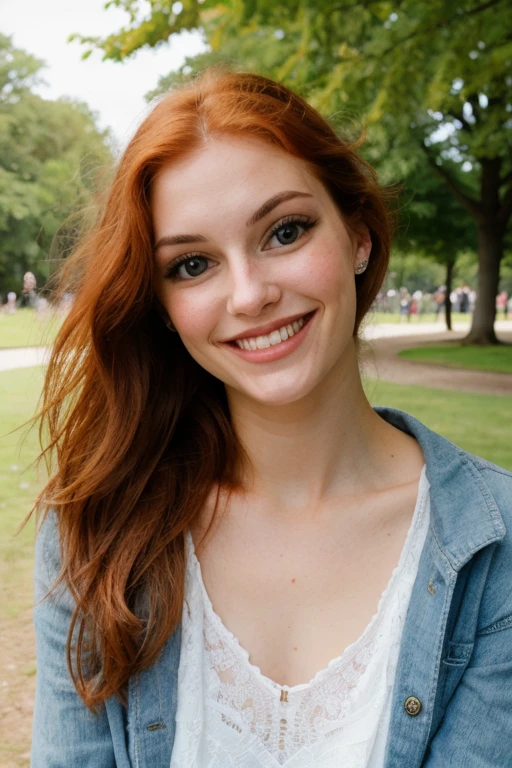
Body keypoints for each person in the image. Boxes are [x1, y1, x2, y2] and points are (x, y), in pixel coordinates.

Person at [31, 69, 512, 767]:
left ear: (358, 236)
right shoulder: (95, 534)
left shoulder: (494, 546)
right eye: (193, 264)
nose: (251, 294)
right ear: (162, 307)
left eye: (285, 231)